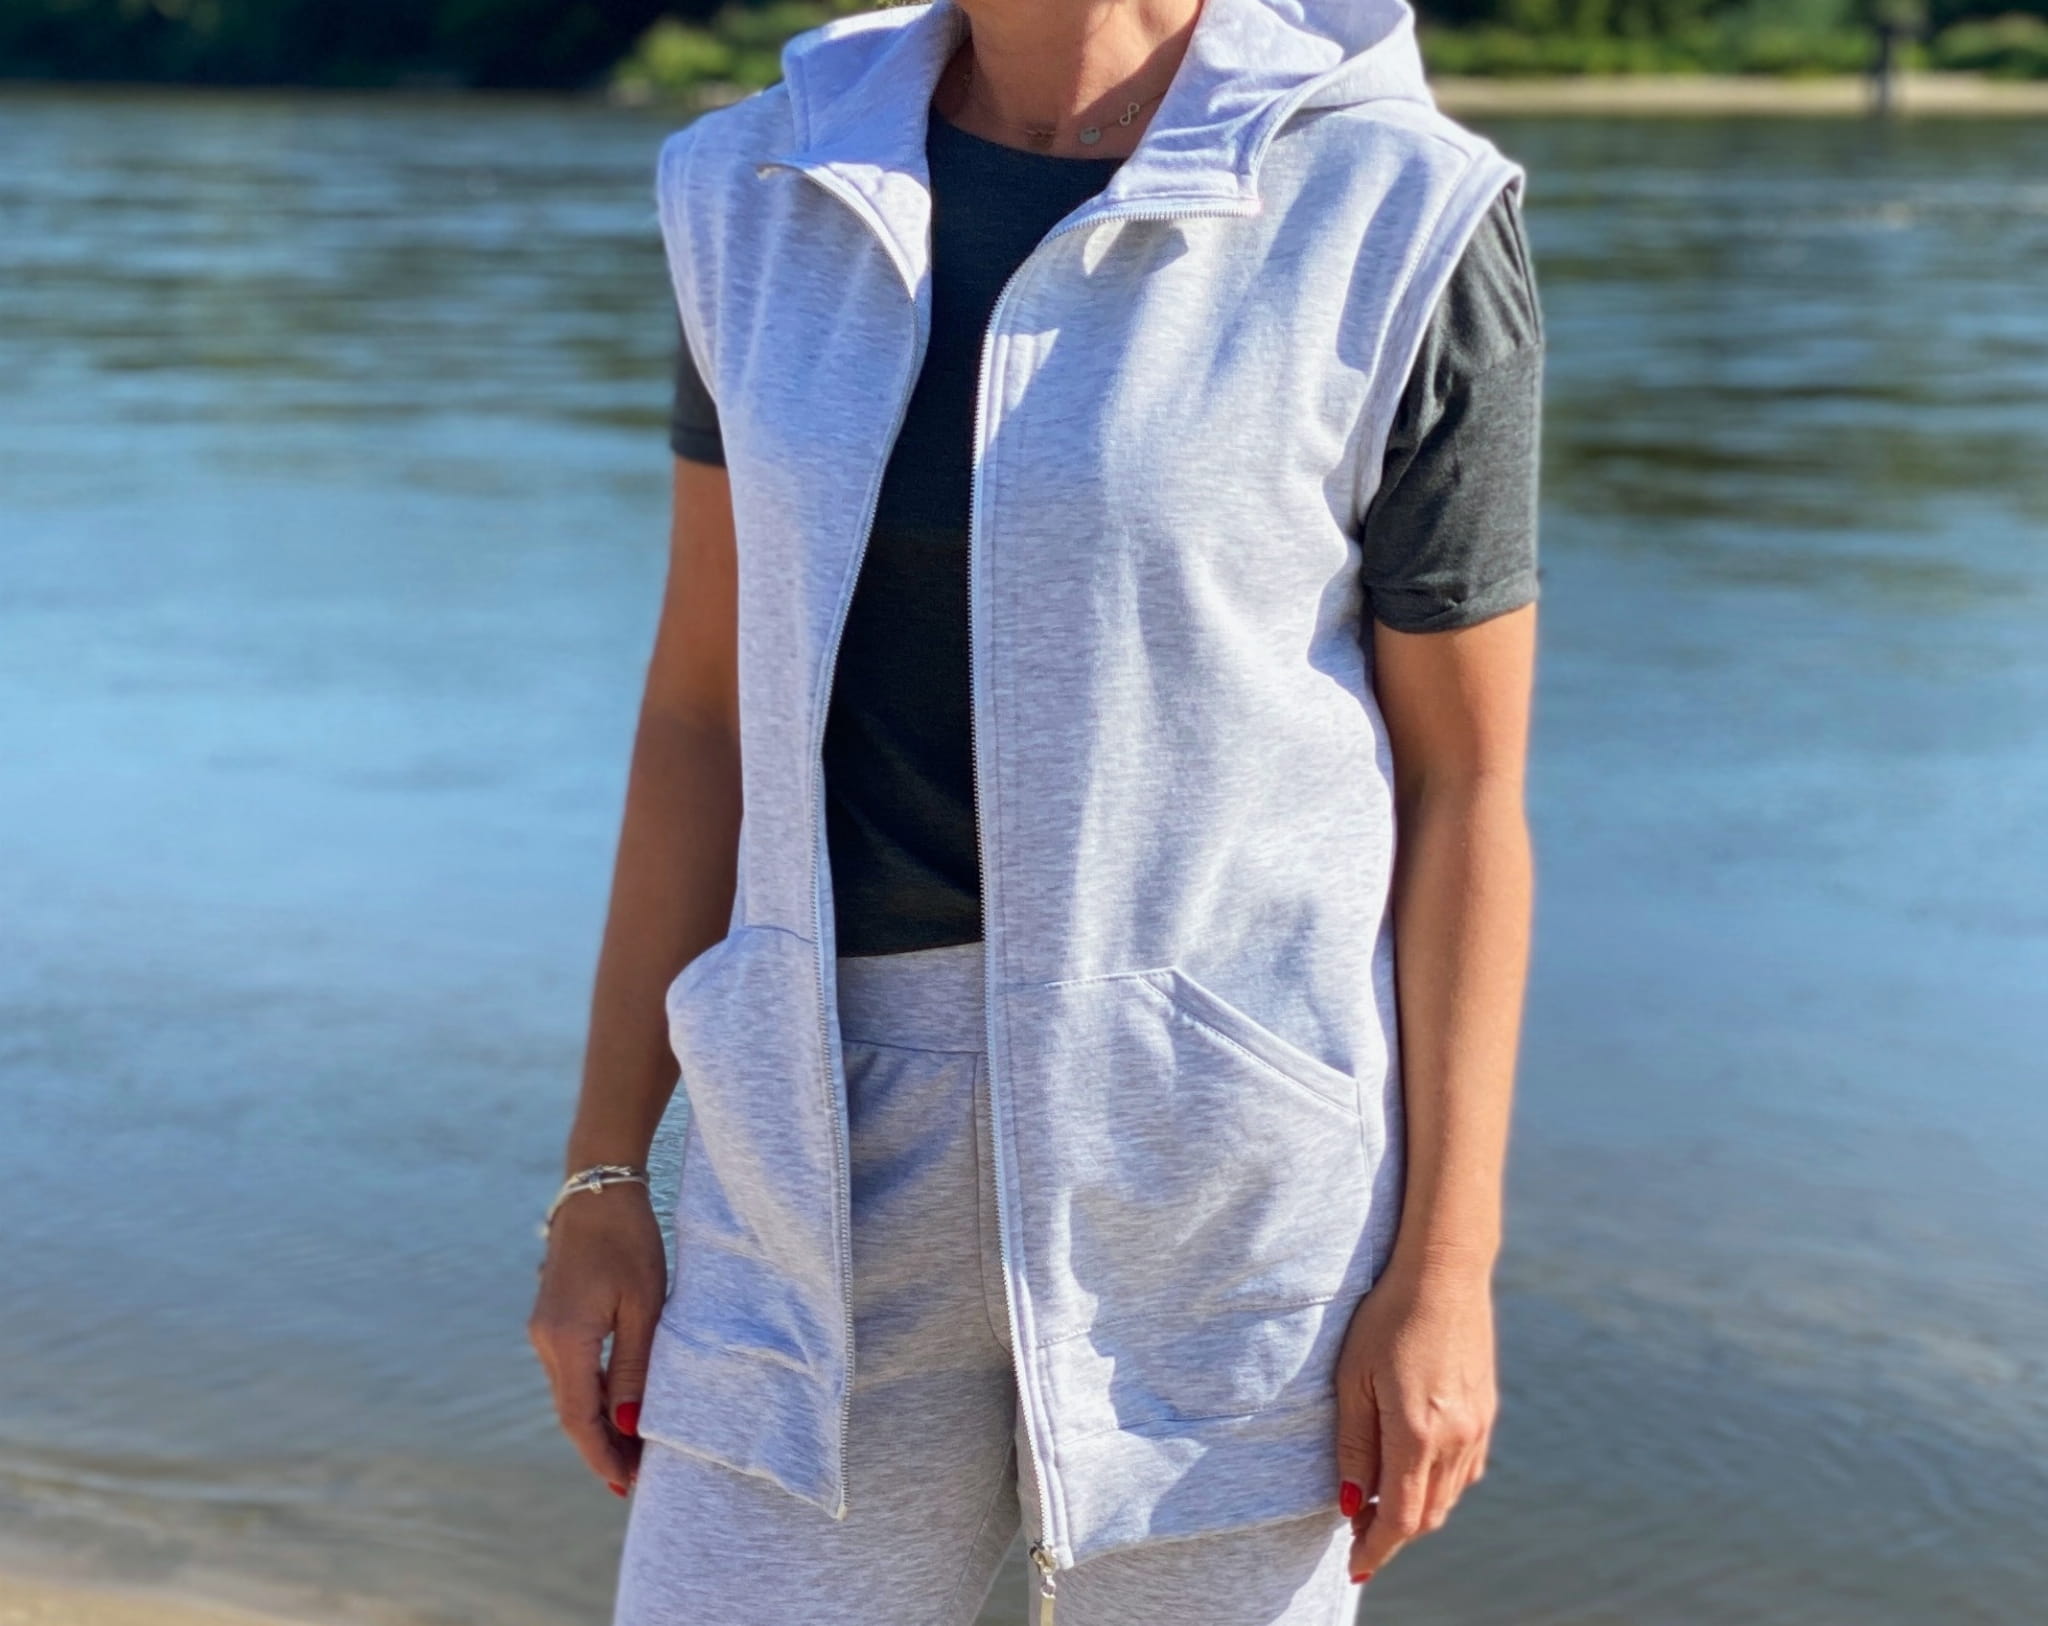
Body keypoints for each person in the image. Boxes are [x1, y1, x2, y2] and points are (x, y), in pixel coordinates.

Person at [528, 0, 1541, 1620]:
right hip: (810, 1158)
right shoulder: (758, 189)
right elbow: (701, 711)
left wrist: (1445, 1268)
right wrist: (602, 1176)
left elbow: (1465, 784)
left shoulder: (1398, 210)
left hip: (1217, 1187)